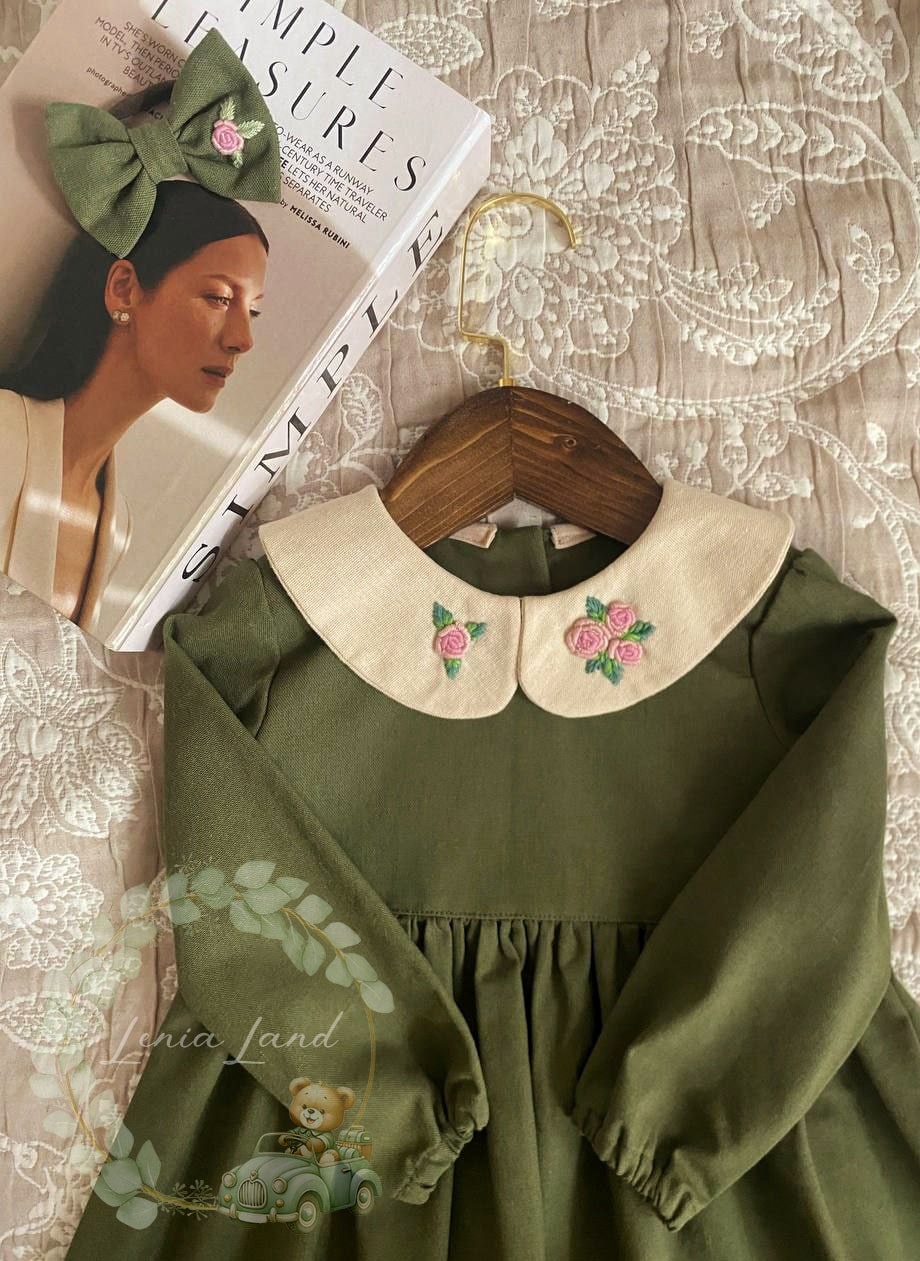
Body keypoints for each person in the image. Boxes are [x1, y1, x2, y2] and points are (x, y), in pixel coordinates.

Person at [0, 179, 270, 635]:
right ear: (124, 288)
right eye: (219, 298)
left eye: (253, 311)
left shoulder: (118, 528)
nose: (243, 339)